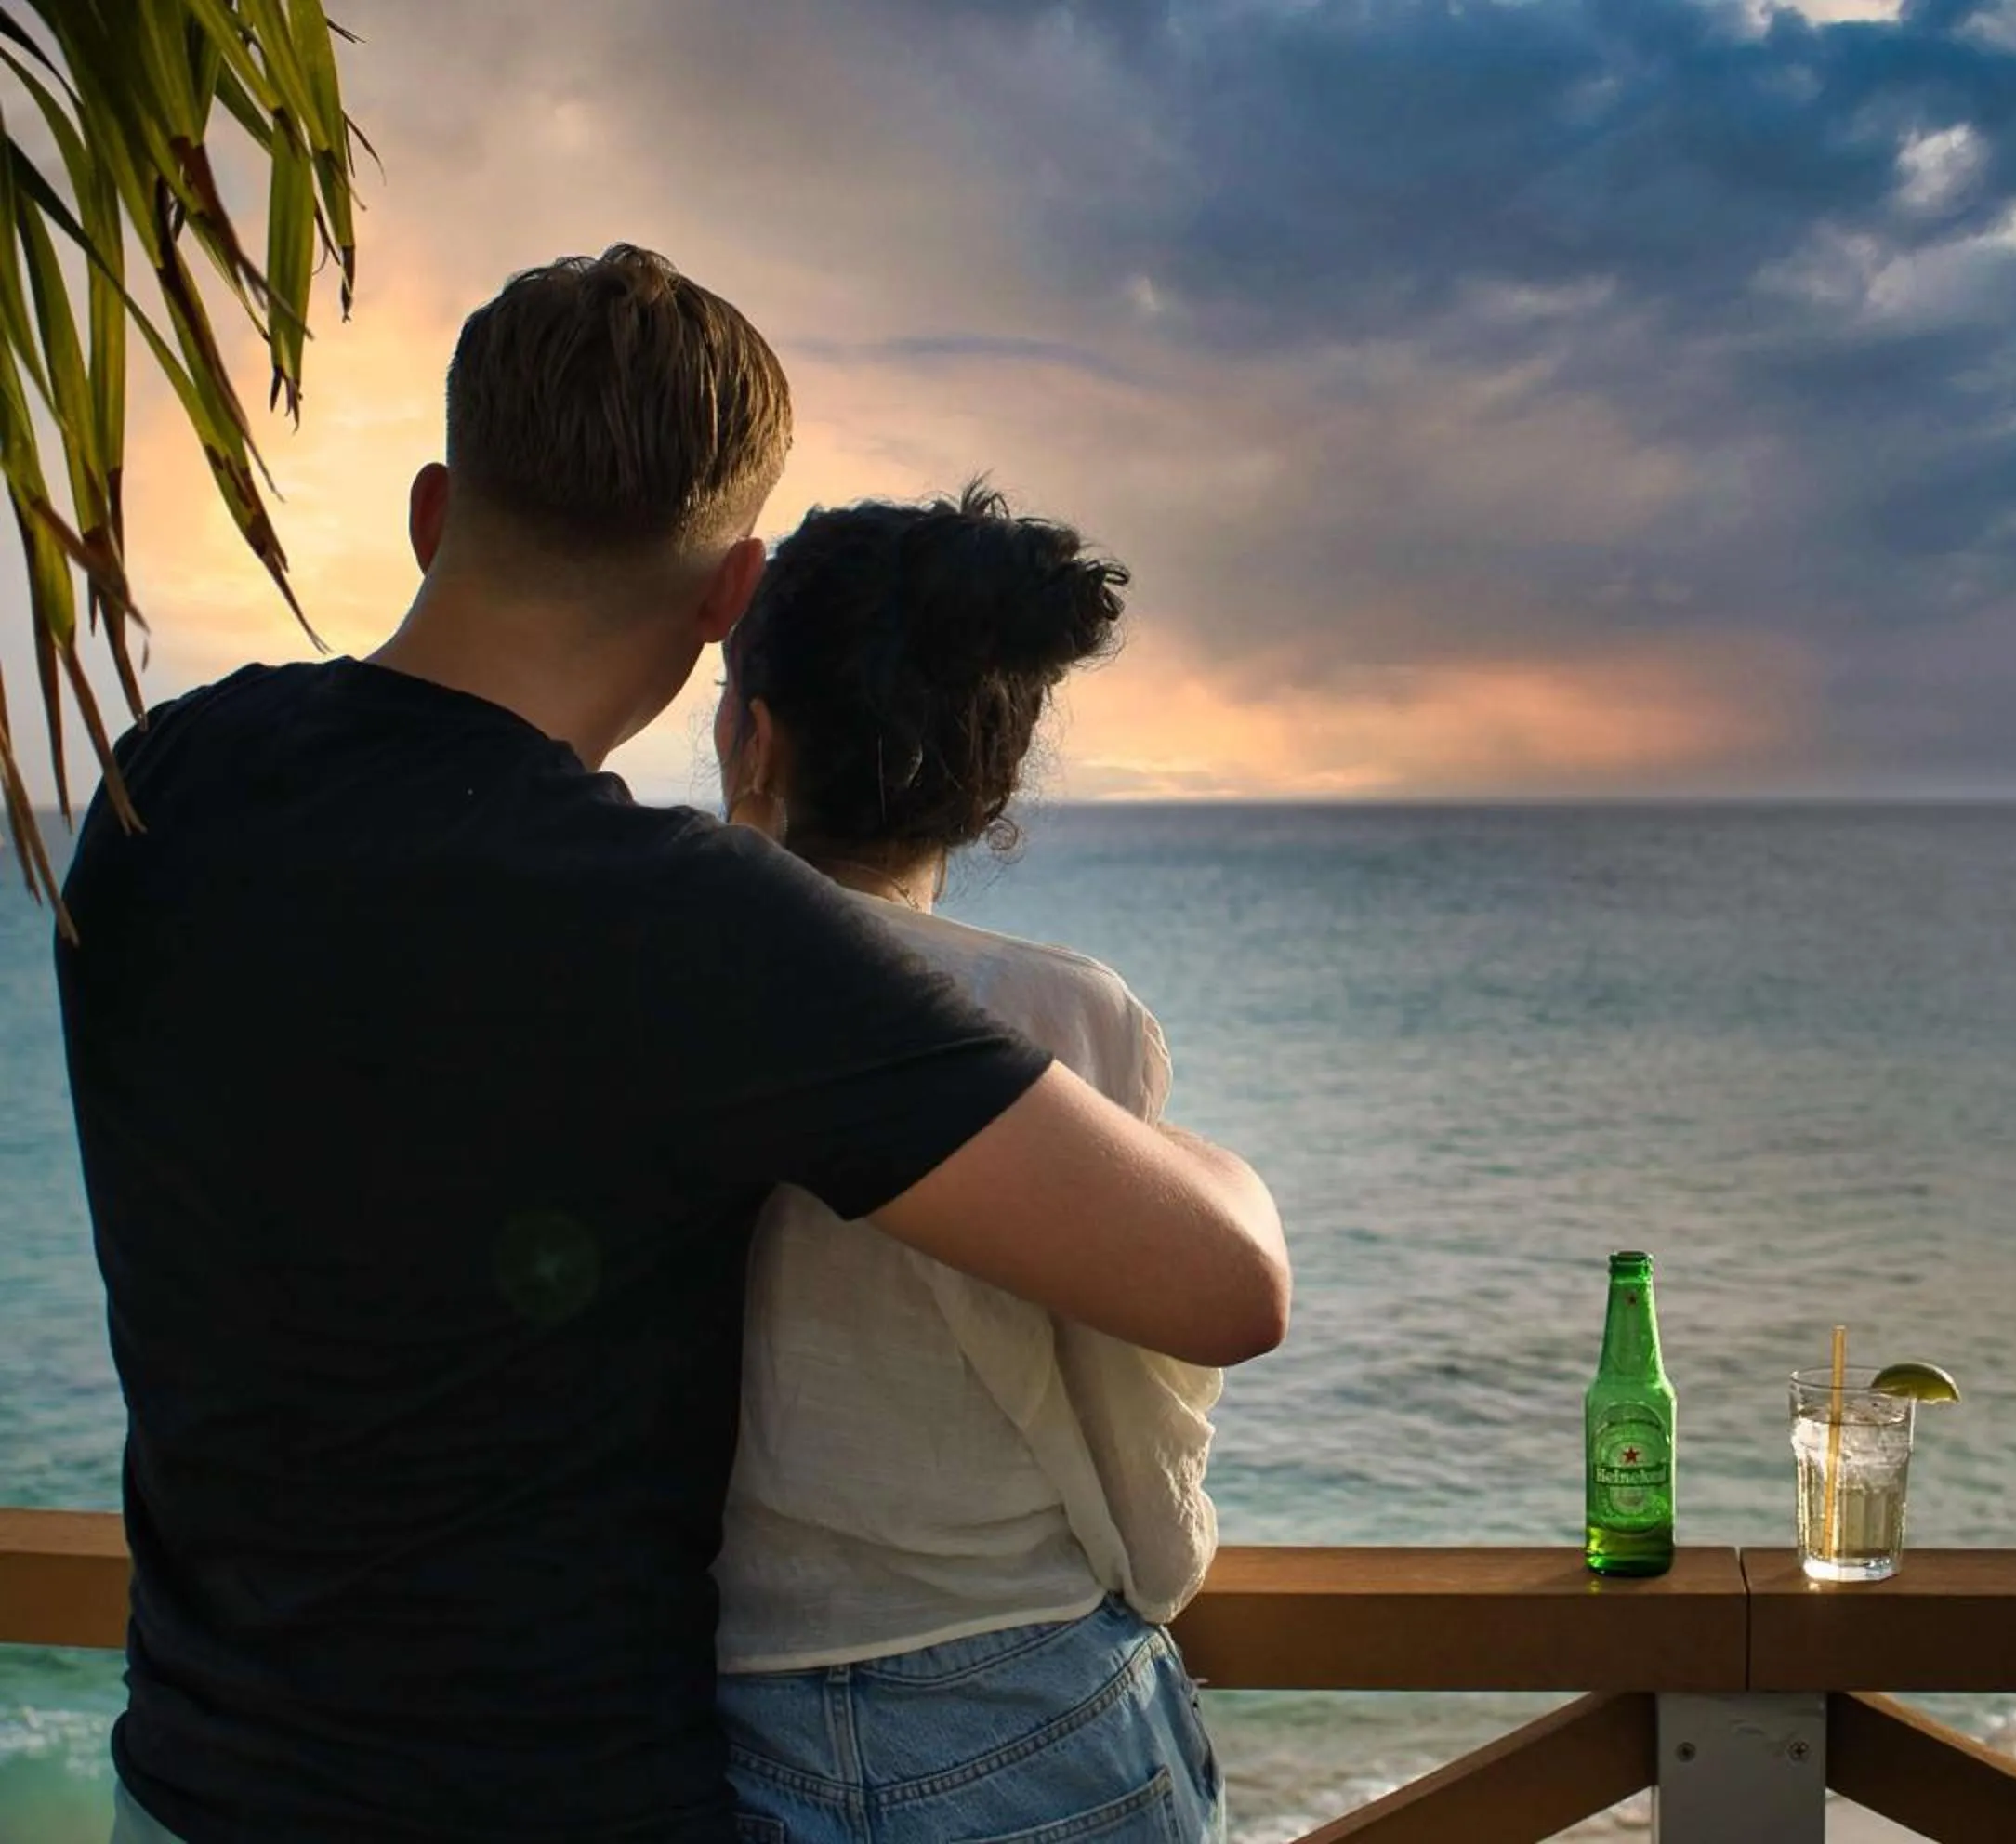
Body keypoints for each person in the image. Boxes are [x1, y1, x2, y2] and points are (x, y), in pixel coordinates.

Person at [54, 247, 1286, 1844]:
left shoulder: (165, 780)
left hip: (187, 1784)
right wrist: (1212, 1159)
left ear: (434, 511)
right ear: (726, 598)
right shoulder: (680, 925)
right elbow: (1220, 1286)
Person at [708, 486, 1228, 1843]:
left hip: (709, 1720)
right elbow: (1132, 1417)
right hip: (1033, 1708)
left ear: (753, 734)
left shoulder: (653, 972)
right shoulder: (1061, 1016)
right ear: (990, 786)